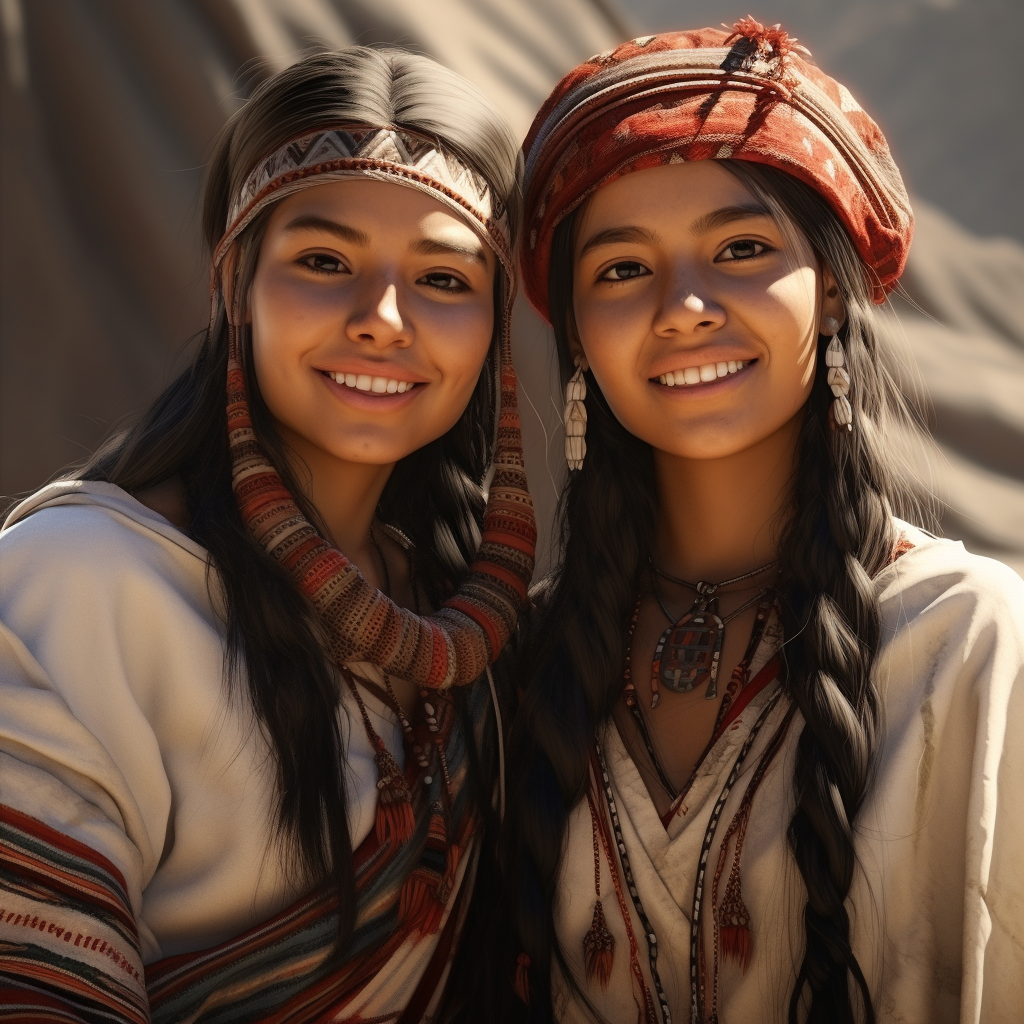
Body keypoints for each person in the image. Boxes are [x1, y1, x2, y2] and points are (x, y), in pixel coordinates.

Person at [503, 20, 1024, 1024]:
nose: (684, 305)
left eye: (740, 249)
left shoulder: (970, 643)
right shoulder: (516, 666)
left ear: (828, 290)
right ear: (574, 334)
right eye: (621, 270)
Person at [0, 47, 535, 1022]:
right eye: (323, 262)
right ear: (233, 283)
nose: (383, 319)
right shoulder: (80, 583)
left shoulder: (456, 617)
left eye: (444, 279)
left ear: (495, 326)